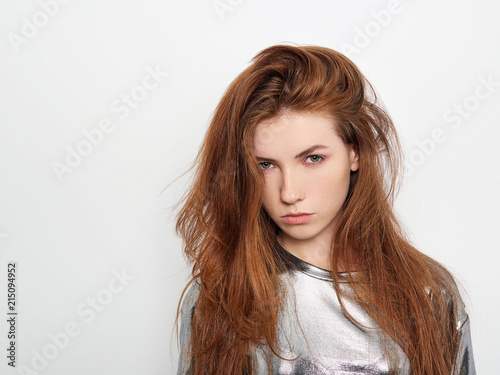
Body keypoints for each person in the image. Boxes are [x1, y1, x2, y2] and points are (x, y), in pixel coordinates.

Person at [174, 44, 476, 374]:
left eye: (313, 158)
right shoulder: (222, 297)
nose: (289, 193)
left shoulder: (427, 293)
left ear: (355, 152)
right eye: (265, 165)